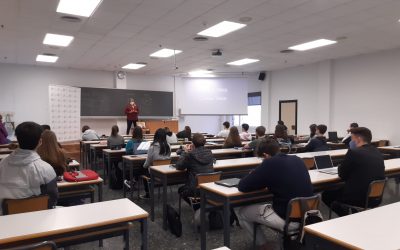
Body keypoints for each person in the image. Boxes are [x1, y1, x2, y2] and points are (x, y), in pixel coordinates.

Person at [237, 138, 313, 248]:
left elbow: (243, 186)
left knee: (243, 212)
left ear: (265, 155)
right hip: (307, 215)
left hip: (288, 219)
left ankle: (263, 245)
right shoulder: (297, 159)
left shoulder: (269, 163)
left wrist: (255, 174)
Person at [322, 127, 385, 217]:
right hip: (375, 197)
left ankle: (344, 215)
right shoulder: (377, 151)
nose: (350, 141)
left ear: (358, 139)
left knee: (326, 194)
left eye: (352, 138)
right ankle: (353, 213)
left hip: (358, 198)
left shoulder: (353, 152)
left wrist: (340, 166)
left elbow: (342, 175)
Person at [0, 122, 58, 215]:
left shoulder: (2, 164)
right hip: (37, 217)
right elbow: (53, 197)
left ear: (18, 139)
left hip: (6, 218)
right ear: (40, 142)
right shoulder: (45, 168)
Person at [176, 133, 214, 209]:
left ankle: (197, 207)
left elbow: (179, 166)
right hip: (209, 187)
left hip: (195, 189)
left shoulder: (190, 155)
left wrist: (185, 152)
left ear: (192, 143)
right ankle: (201, 206)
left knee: (180, 190)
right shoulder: (210, 152)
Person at [141, 128, 171, 199]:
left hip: (155, 173)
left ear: (156, 136)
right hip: (165, 171)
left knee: (143, 170)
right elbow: (168, 156)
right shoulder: (168, 146)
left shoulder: (153, 147)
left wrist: (143, 166)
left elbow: (148, 162)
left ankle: (148, 194)